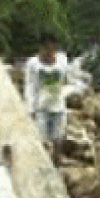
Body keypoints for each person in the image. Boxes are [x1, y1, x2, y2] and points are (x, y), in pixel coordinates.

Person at [24, 31, 69, 163]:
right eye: (47, 49)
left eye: (52, 50)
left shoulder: (62, 60)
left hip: (58, 106)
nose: (49, 53)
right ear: (41, 48)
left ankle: (57, 164)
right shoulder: (32, 64)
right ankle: (41, 165)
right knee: (41, 140)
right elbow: (29, 86)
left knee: (58, 139)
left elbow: (66, 78)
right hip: (41, 108)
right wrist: (30, 108)